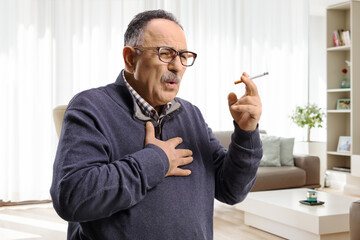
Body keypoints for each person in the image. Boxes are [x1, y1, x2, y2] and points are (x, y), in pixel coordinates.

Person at [50, 9, 263, 240]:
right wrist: (156, 161)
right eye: (165, 53)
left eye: (183, 56)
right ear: (130, 59)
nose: (177, 66)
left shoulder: (191, 114)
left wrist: (245, 133)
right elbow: (72, 197)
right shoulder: (90, 107)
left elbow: (231, 190)